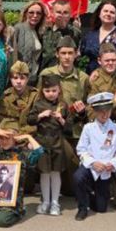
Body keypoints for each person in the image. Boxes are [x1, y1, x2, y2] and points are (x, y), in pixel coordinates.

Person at [38, 35, 92, 191]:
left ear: (76, 54)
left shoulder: (84, 78)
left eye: (70, 53)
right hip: (50, 129)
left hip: (73, 130)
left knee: (72, 187)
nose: (67, 57)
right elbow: (38, 101)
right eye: (63, 53)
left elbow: (89, 107)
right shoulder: (47, 74)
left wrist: (82, 112)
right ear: (57, 54)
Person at [73, 92, 116, 220]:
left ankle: (89, 195)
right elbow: (81, 149)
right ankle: (82, 207)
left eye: (108, 110)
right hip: (91, 167)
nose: (105, 114)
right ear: (95, 111)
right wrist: (92, 163)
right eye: (100, 111)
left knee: (101, 208)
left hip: (106, 169)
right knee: (78, 177)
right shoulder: (88, 128)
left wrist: (114, 163)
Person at [0, 128, 44, 227]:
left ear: (14, 139)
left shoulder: (21, 154)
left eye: (7, 138)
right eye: (1, 138)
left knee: (2, 221)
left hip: (13, 199)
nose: (4, 141)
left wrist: (28, 137)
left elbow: (39, 152)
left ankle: (20, 212)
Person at [27, 74, 70, 215]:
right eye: (47, 91)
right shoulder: (38, 104)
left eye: (54, 90)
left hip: (57, 143)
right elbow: (30, 119)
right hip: (42, 142)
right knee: (44, 173)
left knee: (55, 173)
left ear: (59, 90)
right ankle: (45, 201)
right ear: (42, 91)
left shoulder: (63, 105)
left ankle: (55, 202)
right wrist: (40, 115)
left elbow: (69, 127)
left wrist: (61, 119)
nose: (50, 94)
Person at [80, 0, 116, 74]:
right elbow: (80, 55)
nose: (108, 14)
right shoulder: (90, 35)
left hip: (113, 78)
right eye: (105, 11)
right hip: (91, 77)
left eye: (112, 12)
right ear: (99, 14)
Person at [9, 0, 46, 85]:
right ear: (25, 13)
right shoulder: (18, 29)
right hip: (20, 78)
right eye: (31, 12)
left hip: (34, 78)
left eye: (38, 13)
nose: (35, 16)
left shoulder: (39, 32)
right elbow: (11, 54)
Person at [40, 0, 82, 70]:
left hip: (68, 76)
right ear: (52, 13)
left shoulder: (75, 33)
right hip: (48, 75)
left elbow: (78, 56)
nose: (62, 15)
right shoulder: (44, 32)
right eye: (58, 12)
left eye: (65, 12)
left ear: (70, 14)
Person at [0, 61, 35, 133]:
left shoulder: (34, 95)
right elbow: (1, 120)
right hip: (10, 134)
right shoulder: (6, 97)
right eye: (15, 78)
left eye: (22, 78)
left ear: (27, 79)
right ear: (10, 79)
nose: (18, 81)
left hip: (30, 134)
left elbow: (38, 120)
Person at [90, 44, 116, 119]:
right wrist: (115, 102)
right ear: (99, 61)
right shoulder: (95, 81)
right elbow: (91, 113)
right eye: (107, 61)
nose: (111, 63)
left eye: (113, 60)